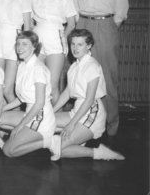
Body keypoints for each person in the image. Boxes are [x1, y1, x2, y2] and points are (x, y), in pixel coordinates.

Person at [72, 0, 129, 138]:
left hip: (106, 24)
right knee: (84, 76)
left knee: (108, 77)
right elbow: (76, 9)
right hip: (84, 24)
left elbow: (121, 7)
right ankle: (89, 123)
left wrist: (110, 25)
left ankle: (111, 123)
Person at [50, 29, 125, 161]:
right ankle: (77, 139)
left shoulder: (91, 66)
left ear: (89, 46)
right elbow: (67, 93)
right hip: (78, 111)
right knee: (47, 122)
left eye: (80, 44)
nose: (75, 48)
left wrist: (71, 124)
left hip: (92, 113)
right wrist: (51, 111)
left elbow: (89, 100)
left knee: (57, 148)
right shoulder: (74, 66)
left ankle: (99, 153)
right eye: (73, 44)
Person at [0, 31, 57, 158]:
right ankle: (15, 138)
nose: (20, 48)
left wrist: (19, 126)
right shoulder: (23, 65)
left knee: (8, 151)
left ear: (34, 47)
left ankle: (49, 142)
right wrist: (1, 109)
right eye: (18, 44)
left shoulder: (38, 69)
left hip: (40, 117)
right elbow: (22, 98)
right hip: (29, 113)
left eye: (25, 44)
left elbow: (39, 103)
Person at [31, 0, 77, 104]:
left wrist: (61, 37)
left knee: (52, 84)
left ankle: (54, 120)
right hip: (37, 41)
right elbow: (29, 22)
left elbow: (71, 23)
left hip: (55, 41)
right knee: (36, 83)